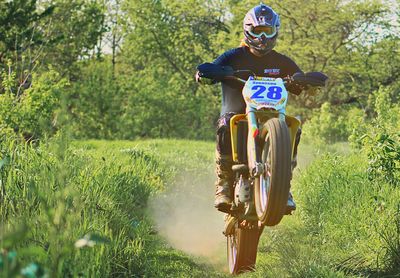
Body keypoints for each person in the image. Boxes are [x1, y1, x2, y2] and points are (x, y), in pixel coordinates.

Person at [196, 4, 303, 213]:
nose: (262, 37)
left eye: (267, 31)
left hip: (272, 115)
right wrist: (208, 74)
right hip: (236, 112)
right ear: (248, 30)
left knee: (294, 126)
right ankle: (224, 183)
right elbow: (207, 69)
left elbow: (299, 76)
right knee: (226, 123)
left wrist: (305, 81)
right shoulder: (234, 56)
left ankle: (284, 184)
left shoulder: (281, 61)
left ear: (275, 31)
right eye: (257, 31)